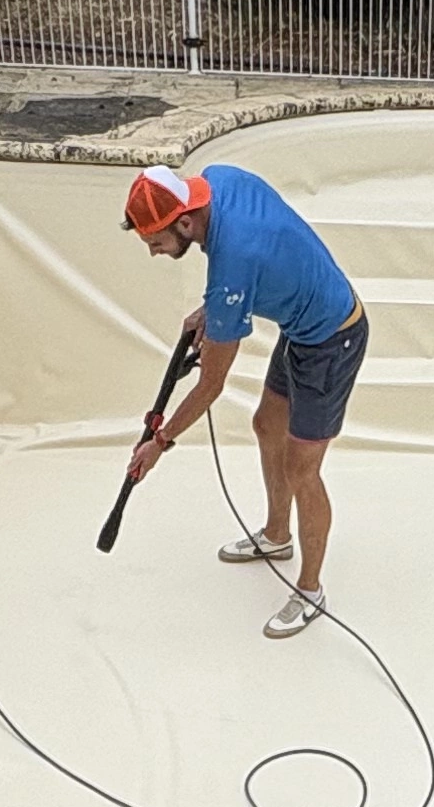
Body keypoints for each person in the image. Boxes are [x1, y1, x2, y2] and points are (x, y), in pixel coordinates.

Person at [120, 162, 367, 638]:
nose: (153, 252)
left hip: (334, 340)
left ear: (185, 223)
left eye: (156, 242)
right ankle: (277, 535)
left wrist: (159, 443)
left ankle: (311, 591)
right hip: (302, 326)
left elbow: (210, 386)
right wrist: (212, 310)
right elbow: (264, 250)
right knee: (266, 425)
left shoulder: (231, 269)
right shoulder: (218, 179)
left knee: (302, 469)